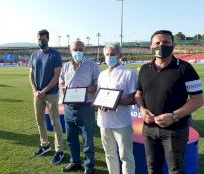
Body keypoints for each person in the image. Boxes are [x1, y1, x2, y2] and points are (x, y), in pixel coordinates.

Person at [135, 30, 203, 174]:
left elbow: (198, 99)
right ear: (151, 46)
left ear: (173, 45)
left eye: (166, 42)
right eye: (157, 43)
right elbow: (138, 93)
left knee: (175, 170)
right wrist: (142, 109)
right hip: (149, 129)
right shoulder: (144, 69)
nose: (161, 45)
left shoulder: (185, 68)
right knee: (152, 168)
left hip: (175, 130)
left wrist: (174, 116)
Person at [60, 40, 100, 174]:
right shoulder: (65, 66)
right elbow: (61, 82)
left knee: (87, 139)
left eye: (80, 49)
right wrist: (63, 87)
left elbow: (98, 86)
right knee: (71, 138)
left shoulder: (92, 66)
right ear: (70, 50)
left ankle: (89, 167)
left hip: (85, 108)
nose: (77, 51)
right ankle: (75, 162)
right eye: (75, 49)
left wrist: (85, 90)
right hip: (69, 108)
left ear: (84, 50)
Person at [97, 43, 136, 174]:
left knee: (126, 156)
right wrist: (100, 103)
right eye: (107, 54)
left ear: (119, 55)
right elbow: (99, 95)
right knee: (109, 154)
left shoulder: (129, 73)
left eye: (112, 54)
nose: (109, 57)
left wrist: (116, 101)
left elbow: (133, 98)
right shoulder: (102, 74)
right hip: (103, 121)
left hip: (122, 122)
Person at [29, 29, 64, 164]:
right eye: (39, 39)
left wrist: (44, 89)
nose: (41, 42)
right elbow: (31, 74)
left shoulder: (54, 55)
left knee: (55, 122)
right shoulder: (34, 55)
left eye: (43, 39)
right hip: (37, 94)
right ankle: (45, 145)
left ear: (48, 39)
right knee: (40, 121)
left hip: (51, 94)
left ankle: (59, 150)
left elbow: (57, 75)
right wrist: (35, 90)